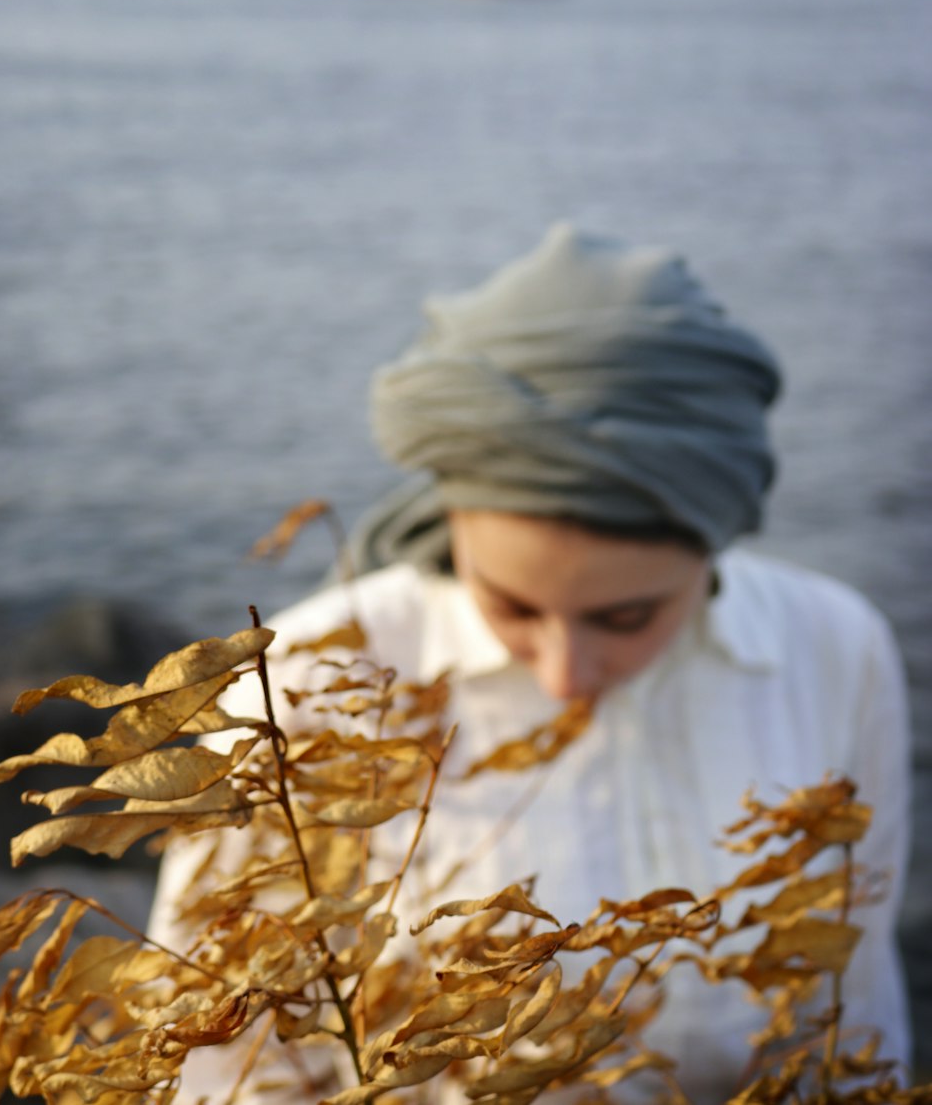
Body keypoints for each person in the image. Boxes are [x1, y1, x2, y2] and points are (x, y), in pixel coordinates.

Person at [149, 223, 911, 1101]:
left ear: (714, 541)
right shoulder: (302, 690)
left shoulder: (834, 645)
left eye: (627, 615)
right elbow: (222, 1066)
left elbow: (857, 991)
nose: (564, 674)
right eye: (510, 605)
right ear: (450, 521)